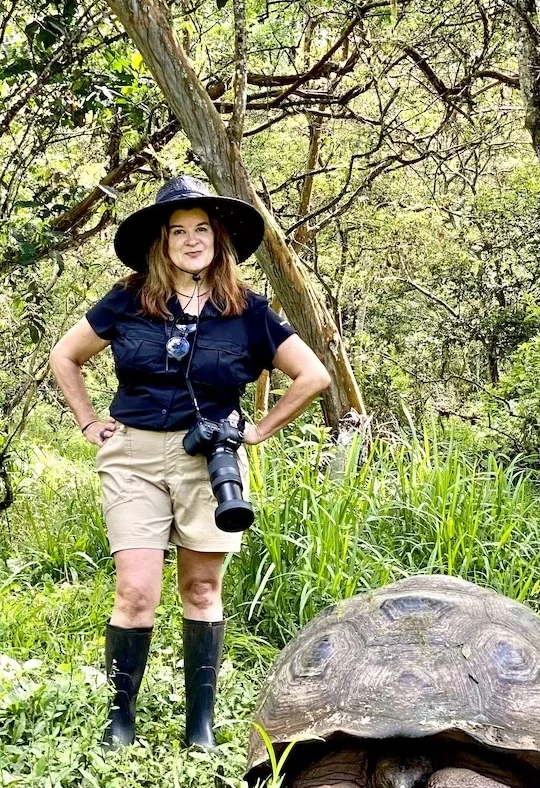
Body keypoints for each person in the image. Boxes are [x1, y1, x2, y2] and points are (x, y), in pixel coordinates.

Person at [49, 175, 331, 750]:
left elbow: (314, 375)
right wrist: (86, 420)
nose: (191, 239)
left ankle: (198, 726)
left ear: (219, 238)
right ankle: (119, 721)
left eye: (202, 228)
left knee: (202, 590)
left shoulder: (249, 311)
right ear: (161, 242)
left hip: (211, 457)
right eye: (178, 230)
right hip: (133, 455)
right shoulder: (127, 300)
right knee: (135, 591)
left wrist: (260, 430)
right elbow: (65, 356)